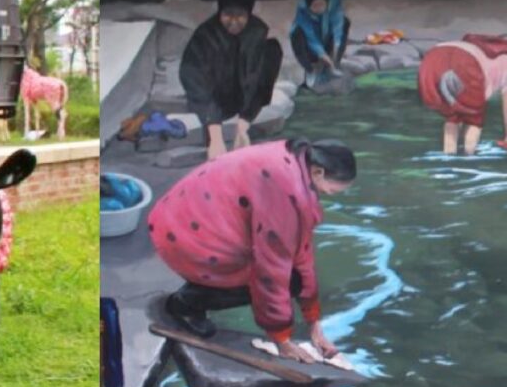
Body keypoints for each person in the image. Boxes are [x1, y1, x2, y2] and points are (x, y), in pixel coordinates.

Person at [149, 138, 357, 363]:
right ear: (317, 172)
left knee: (293, 278)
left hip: (187, 213)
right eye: (331, 190)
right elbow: (271, 271)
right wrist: (282, 340)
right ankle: (185, 304)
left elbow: (302, 253)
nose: (328, 195)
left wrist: (314, 325)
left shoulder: (295, 160)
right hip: (185, 235)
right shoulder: (285, 193)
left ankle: (198, 292)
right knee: (283, 279)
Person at [181, 0, 285, 161]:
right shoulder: (205, 36)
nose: (234, 21)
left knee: (272, 50)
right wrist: (214, 134)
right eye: (228, 14)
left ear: (249, 14)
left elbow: (262, 82)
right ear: (220, 12)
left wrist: (243, 125)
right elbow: (195, 80)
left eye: (241, 15)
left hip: (244, 101)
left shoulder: (258, 32)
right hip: (214, 102)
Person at [418, 35, 507, 153]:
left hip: (432, 59)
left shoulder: (478, 48)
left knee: (452, 116)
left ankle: (448, 156)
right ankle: (469, 157)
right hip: (466, 61)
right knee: (473, 119)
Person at [288, 0, 348, 91]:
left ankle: (333, 65)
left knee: (345, 22)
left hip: (327, 32)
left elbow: (338, 26)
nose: (319, 8)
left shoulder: (335, 1)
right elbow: (310, 37)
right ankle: (310, 70)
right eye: (315, 5)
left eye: (321, 4)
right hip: (309, 38)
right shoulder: (302, 7)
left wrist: (335, 51)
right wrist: (321, 54)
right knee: (297, 33)